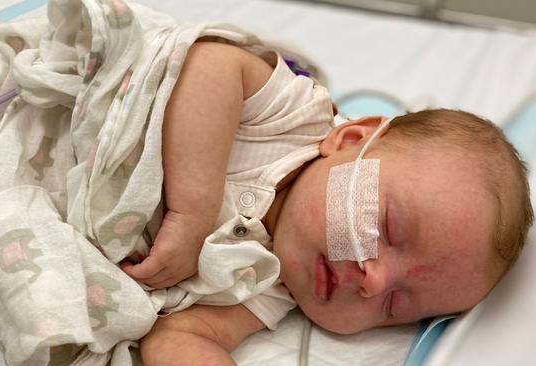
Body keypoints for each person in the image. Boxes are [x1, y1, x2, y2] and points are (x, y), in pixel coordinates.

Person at [119, 41, 533, 365]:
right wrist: (193, 211)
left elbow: (178, 335)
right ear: (351, 139)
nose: (372, 282)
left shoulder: (268, 291)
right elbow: (209, 63)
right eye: (388, 228)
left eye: (395, 305)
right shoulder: (287, 121)